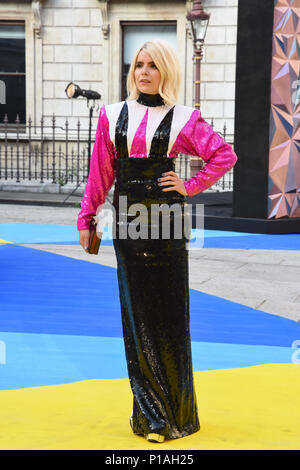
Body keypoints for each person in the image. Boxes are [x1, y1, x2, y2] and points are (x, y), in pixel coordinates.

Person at [77, 39, 238, 443]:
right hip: (130, 223)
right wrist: (87, 216)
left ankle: (177, 415)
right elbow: (100, 173)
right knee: (137, 317)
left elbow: (224, 155)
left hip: (167, 222)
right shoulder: (112, 115)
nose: (143, 71)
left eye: (152, 65)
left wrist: (190, 185)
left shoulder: (184, 118)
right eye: (138, 65)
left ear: (166, 71)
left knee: (169, 317)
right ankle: (150, 416)